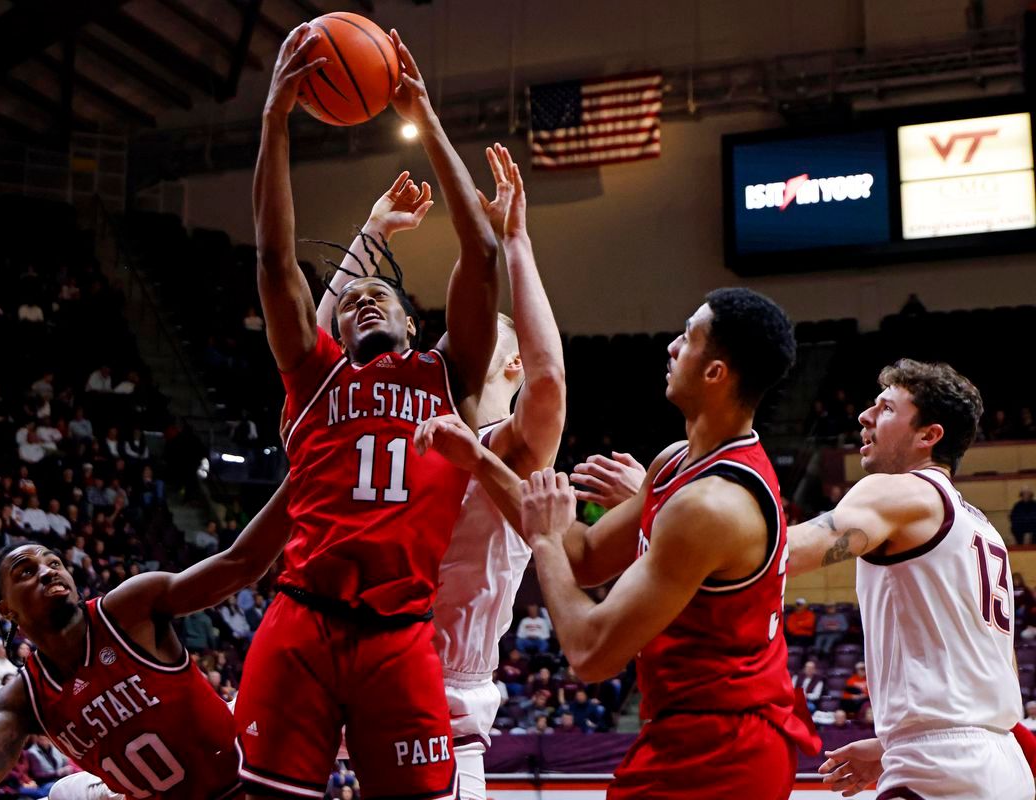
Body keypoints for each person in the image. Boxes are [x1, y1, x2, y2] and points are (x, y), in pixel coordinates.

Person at [415, 288, 820, 799]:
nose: (671, 346)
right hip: (685, 732)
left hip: (727, 747)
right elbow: (582, 558)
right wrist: (481, 462)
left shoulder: (711, 505)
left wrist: (542, 538)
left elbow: (590, 653)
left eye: (687, 337)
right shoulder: (675, 462)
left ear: (716, 372)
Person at [235, 21, 499, 800]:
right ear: (332, 324)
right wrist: (273, 121)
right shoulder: (311, 376)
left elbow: (481, 255)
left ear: (412, 320)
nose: (363, 299)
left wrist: (425, 109)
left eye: (379, 292)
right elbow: (274, 260)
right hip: (302, 624)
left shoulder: (447, 373)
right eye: (348, 300)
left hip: (400, 635)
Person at [316, 142, 564, 800]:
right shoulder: (392, 424)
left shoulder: (509, 450)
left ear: (512, 363)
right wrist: (368, 237)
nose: (467, 337)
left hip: (442, 712)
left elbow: (550, 382)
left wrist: (517, 243)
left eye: (495, 333)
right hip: (342, 694)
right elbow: (315, 367)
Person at [0, 480, 294, 800]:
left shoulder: (128, 610)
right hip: (154, 792)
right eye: (26, 572)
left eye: (54, 563)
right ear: (5, 610)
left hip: (242, 769)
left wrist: (308, 468)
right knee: (63, 792)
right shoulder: (22, 699)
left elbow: (242, 563)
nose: (48, 572)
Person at [787, 359, 1034, 799]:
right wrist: (889, 744)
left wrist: (659, 511)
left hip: (941, 768)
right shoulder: (982, 529)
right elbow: (991, 672)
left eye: (884, 408)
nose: (864, 416)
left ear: (928, 435)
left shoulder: (899, 491)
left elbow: (781, 555)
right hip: (1002, 764)